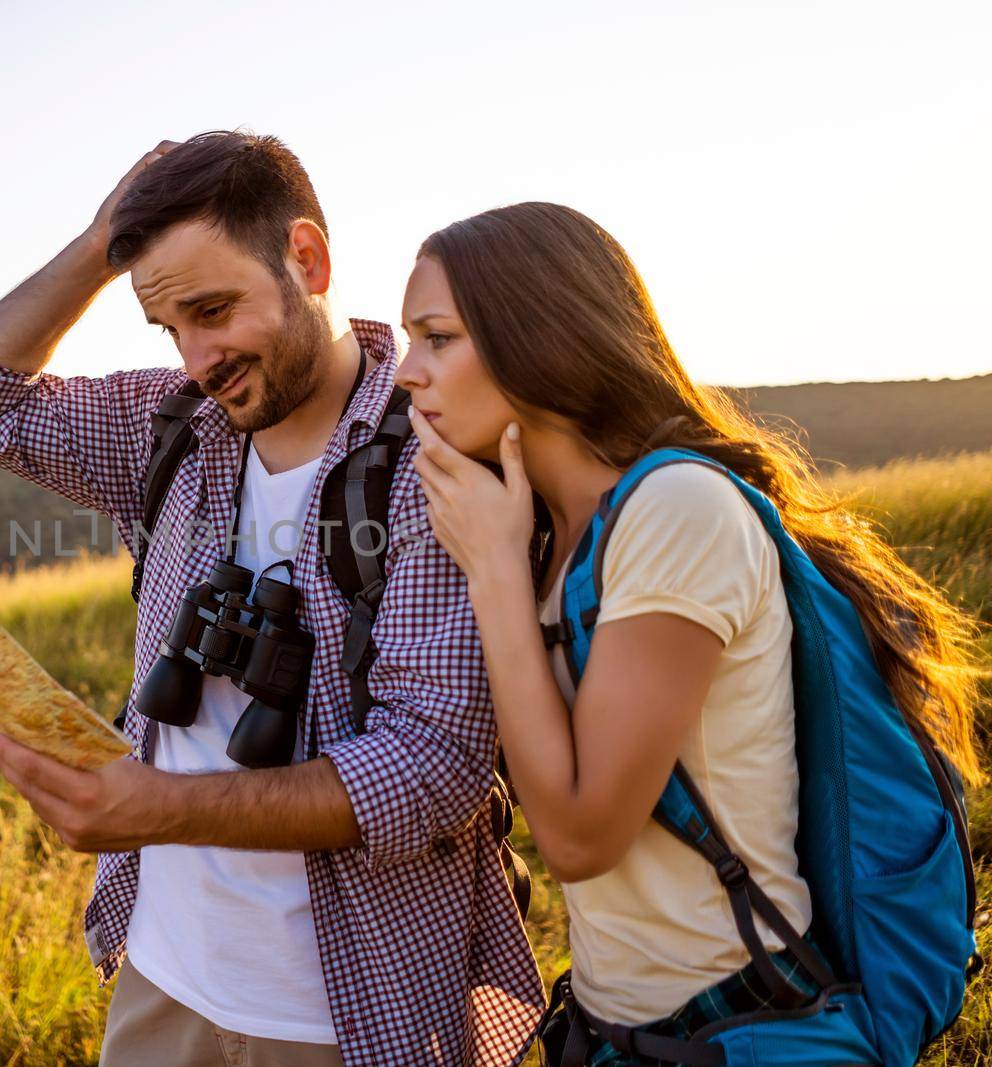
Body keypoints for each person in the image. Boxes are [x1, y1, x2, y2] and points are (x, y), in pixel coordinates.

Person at [0, 132, 543, 1066]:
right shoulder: (170, 427)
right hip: (161, 977)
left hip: (351, 1014)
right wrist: (99, 244)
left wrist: (159, 806)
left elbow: (432, 768)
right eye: (171, 329)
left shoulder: (435, 457)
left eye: (213, 309)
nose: (199, 356)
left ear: (308, 258)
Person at [394, 201, 984, 1064]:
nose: (409, 372)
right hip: (617, 1035)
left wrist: (490, 570)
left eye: (437, 337)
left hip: (745, 1029)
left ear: (539, 334)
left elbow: (580, 837)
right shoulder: (551, 538)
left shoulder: (676, 510)